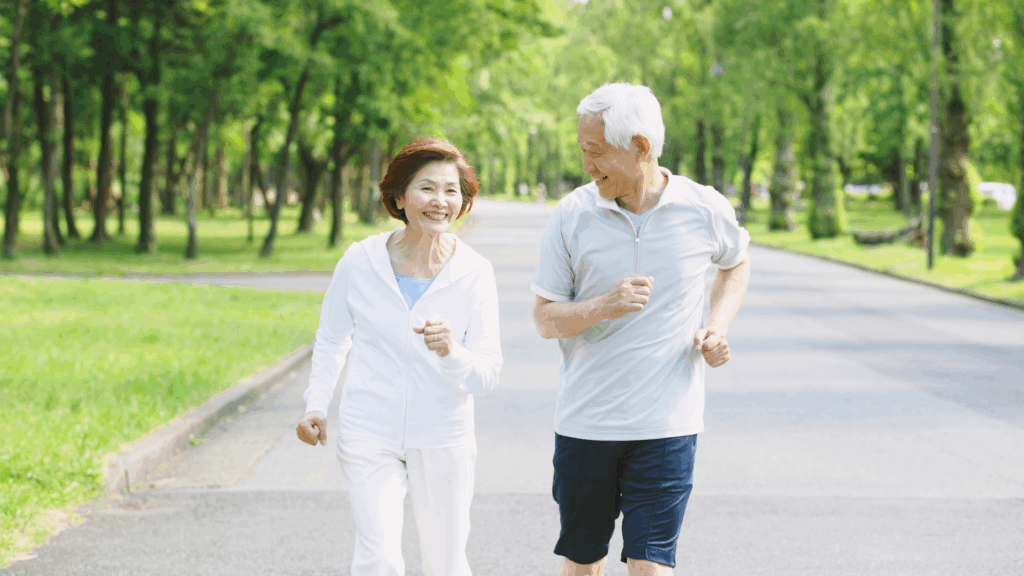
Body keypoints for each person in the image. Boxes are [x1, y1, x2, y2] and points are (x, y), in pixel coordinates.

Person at [531, 83, 752, 576]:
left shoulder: (704, 207)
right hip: (587, 422)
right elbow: (544, 319)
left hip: (667, 425)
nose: (586, 164)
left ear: (641, 147)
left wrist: (716, 327)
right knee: (583, 563)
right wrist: (602, 306)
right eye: (582, 149)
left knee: (650, 564)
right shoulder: (572, 215)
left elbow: (736, 263)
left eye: (595, 151)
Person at [296, 137, 503, 576]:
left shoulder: (474, 272)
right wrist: (316, 405)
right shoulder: (360, 261)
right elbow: (332, 338)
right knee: (379, 560)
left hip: (443, 434)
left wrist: (451, 352)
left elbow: (487, 374)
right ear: (399, 196)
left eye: (451, 190)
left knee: (445, 564)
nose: (440, 201)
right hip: (369, 428)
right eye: (427, 188)